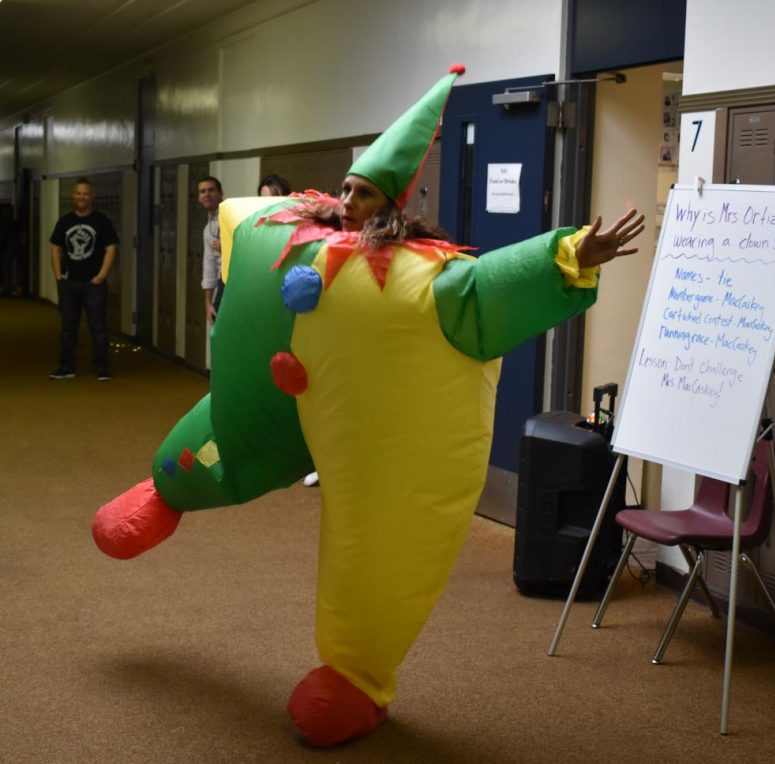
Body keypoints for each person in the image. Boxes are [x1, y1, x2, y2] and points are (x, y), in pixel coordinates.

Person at [92, 65, 644, 748]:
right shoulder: (287, 229)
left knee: (375, 546)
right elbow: (240, 215)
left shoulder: (423, 283)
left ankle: (355, 676)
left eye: (363, 193)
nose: (348, 201)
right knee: (216, 442)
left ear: (390, 206)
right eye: (346, 188)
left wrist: (568, 257)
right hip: (271, 401)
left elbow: (490, 288)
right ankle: (167, 488)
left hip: (370, 433)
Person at [49, 178, 118, 380]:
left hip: (93, 284)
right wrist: (57, 275)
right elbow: (55, 248)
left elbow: (111, 248)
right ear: (73, 195)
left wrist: (101, 276)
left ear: (91, 196)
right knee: (68, 327)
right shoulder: (65, 222)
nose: (82, 197)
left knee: (98, 326)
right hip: (69, 283)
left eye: (86, 193)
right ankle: (67, 367)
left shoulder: (101, 221)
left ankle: (102, 368)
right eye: (79, 193)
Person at [197, 176, 224, 324]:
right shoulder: (208, 229)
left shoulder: (232, 217)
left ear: (220, 193)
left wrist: (226, 247)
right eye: (202, 191)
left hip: (235, 281)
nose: (206, 194)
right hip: (222, 282)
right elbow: (209, 267)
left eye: (211, 190)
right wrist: (208, 303)